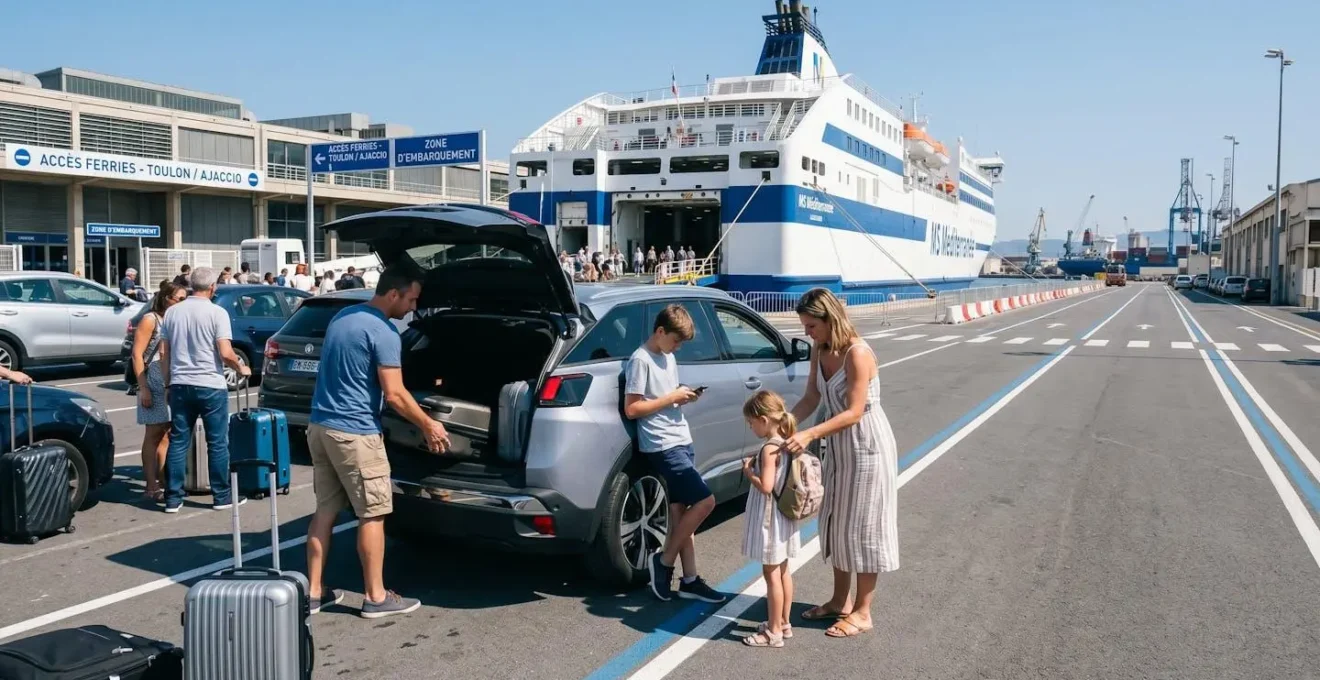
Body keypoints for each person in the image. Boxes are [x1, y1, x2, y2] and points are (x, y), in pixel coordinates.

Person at [303, 265, 449, 619]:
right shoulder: (383, 332)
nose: (413, 307)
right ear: (393, 293)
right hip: (355, 433)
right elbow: (395, 395)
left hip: (320, 426)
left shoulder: (344, 316)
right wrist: (430, 425)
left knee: (325, 511)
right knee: (373, 514)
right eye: (412, 299)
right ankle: (375, 596)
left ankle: (314, 592)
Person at [785, 287, 899, 639]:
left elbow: (853, 412)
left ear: (828, 318)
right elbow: (812, 397)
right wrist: (786, 425)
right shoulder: (820, 351)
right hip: (838, 448)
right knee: (836, 520)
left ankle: (863, 611)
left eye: (810, 326)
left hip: (867, 447)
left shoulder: (858, 354)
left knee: (864, 526)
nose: (807, 333)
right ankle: (839, 601)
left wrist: (810, 434)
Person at [623, 304, 725, 604]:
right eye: (676, 341)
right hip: (662, 444)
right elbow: (633, 408)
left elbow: (664, 399)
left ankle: (690, 578)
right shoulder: (640, 361)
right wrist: (671, 397)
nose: (678, 347)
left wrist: (683, 396)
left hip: (680, 437)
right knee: (706, 501)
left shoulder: (667, 357)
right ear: (660, 331)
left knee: (682, 513)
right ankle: (664, 562)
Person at [159, 267, 252, 513]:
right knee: (217, 443)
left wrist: (167, 383)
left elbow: (164, 353)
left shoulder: (172, 313)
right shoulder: (217, 313)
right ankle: (222, 496)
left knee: (178, 441)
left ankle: (173, 498)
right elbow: (224, 352)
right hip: (210, 385)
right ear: (213, 287)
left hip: (180, 383)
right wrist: (240, 367)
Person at [739, 390, 802, 648]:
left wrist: (748, 473)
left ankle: (773, 632)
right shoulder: (787, 441)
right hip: (784, 515)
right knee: (784, 570)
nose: (750, 427)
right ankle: (784, 623)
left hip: (770, 518)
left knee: (771, 574)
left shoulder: (768, 448)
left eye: (751, 422)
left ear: (763, 419)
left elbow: (766, 486)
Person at [132, 281, 187, 503]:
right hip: (152, 383)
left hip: (169, 381)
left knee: (166, 435)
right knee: (153, 435)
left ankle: (164, 481)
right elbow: (137, 355)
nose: (183, 303)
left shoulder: (174, 319)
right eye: (179, 299)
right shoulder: (150, 319)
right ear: (166, 299)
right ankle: (150, 484)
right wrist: (143, 387)